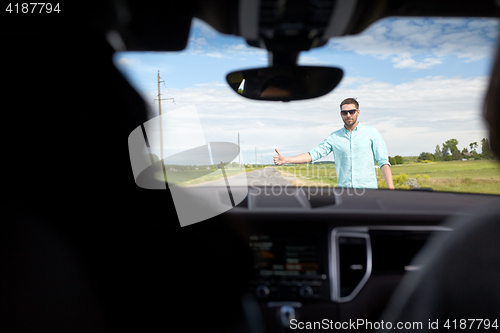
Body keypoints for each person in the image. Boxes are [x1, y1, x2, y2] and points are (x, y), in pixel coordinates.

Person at [274, 98, 395, 189]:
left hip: (369, 193)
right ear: (340, 114)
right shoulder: (334, 137)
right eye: (344, 112)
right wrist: (286, 160)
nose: (348, 115)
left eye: (352, 112)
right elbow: (313, 154)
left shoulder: (371, 133)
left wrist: (391, 188)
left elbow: (383, 162)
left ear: (358, 112)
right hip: (344, 193)